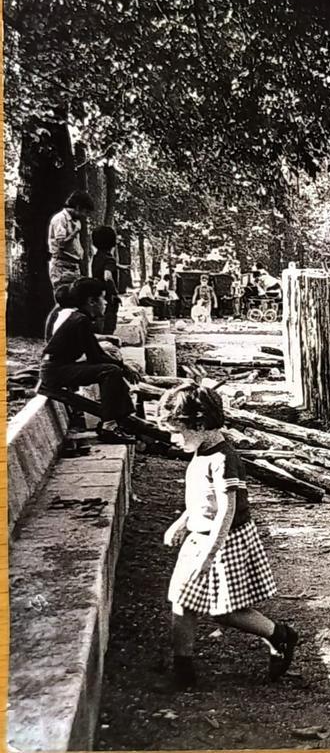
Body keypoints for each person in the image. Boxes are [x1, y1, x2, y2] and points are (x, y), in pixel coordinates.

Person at [157, 383, 300, 692]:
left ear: (199, 424)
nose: (174, 440)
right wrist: (182, 522)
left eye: (177, 432)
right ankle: (183, 670)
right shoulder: (201, 450)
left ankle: (279, 635)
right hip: (200, 536)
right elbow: (202, 499)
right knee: (181, 601)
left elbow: (226, 509)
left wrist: (210, 553)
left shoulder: (223, 458)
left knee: (225, 611)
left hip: (225, 540)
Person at [39, 278, 142, 439]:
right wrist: (124, 367)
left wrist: (123, 366)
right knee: (111, 371)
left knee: (112, 369)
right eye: (103, 298)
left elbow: (96, 352)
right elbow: (96, 357)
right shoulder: (80, 320)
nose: (106, 303)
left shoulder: (79, 318)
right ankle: (109, 426)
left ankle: (122, 417)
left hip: (56, 368)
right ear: (91, 301)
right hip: (54, 371)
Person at [47, 190, 95, 292]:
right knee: (66, 297)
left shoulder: (74, 221)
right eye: (85, 212)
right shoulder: (60, 219)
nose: (85, 216)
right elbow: (61, 243)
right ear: (78, 207)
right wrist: (75, 232)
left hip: (73, 266)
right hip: (62, 267)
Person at [90, 225, 121, 335]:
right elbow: (107, 276)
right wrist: (115, 293)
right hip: (109, 297)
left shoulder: (96, 257)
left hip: (98, 295)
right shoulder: (110, 259)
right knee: (109, 324)